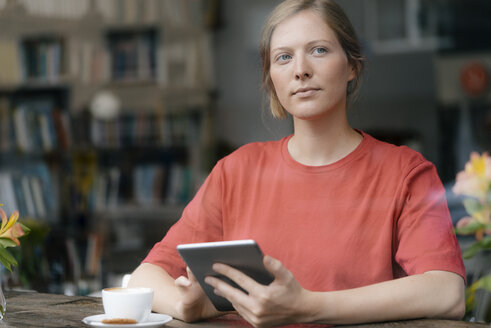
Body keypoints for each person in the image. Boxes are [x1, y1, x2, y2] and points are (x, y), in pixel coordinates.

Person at [128, 0, 466, 326]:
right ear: (271, 78)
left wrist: (308, 306)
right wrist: (188, 307)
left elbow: (446, 292)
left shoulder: (405, 172)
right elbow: (144, 276)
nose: (301, 70)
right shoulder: (235, 171)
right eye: (284, 57)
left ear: (352, 66)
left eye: (319, 50)